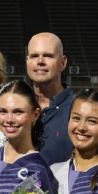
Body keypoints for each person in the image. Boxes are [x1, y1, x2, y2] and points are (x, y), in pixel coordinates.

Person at [26, 32, 74, 165]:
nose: (40, 61)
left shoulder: (79, 108)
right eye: (34, 56)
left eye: (48, 56)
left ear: (63, 62)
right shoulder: (14, 108)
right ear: (27, 61)